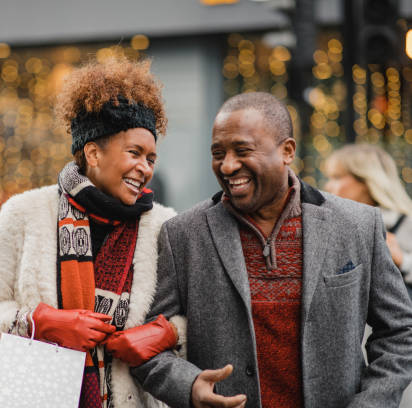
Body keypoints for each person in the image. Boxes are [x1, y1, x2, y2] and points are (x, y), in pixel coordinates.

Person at [132, 92, 412, 408]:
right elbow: (147, 344)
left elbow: (401, 332)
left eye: (242, 151)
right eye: (218, 153)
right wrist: (189, 385)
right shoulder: (183, 234)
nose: (227, 165)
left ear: (287, 151)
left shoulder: (358, 225)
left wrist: (370, 404)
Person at [0, 57, 182, 408]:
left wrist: (166, 333)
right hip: (37, 396)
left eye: (151, 158)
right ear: (93, 153)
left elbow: (190, 316)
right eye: (134, 153)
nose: (144, 168)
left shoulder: (164, 227)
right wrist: (43, 321)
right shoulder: (24, 214)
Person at [324, 143, 412, 299]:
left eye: (337, 177)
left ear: (366, 180)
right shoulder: (330, 226)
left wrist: (402, 261)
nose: (328, 186)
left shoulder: (405, 222)